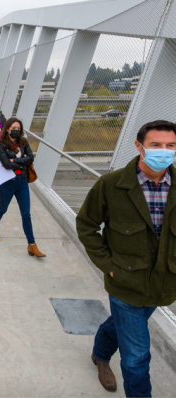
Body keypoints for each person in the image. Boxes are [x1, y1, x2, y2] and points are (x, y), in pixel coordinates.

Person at [76, 120, 176, 397]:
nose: (164, 151)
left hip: (163, 284)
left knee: (123, 326)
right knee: (136, 357)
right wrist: (109, 266)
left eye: (171, 146)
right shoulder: (111, 185)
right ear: (140, 146)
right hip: (124, 280)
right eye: (156, 145)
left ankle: (100, 353)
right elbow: (86, 225)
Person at [0, 118, 44, 257]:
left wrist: (15, 161)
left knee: (26, 214)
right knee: (2, 209)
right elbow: (7, 164)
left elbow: (31, 158)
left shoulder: (24, 142)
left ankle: (32, 245)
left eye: (18, 128)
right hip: (7, 183)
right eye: (14, 127)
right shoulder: (1, 145)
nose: (16, 130)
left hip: (22, 182)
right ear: (8, 129)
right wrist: (22, 161)